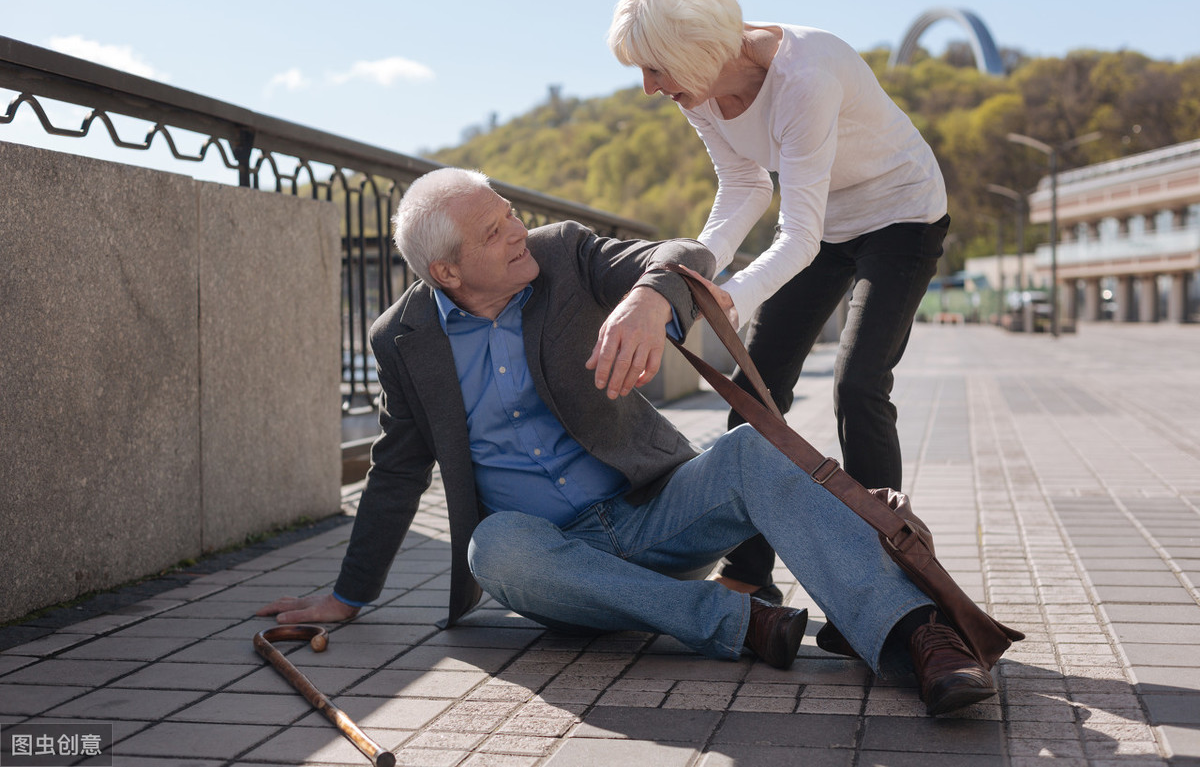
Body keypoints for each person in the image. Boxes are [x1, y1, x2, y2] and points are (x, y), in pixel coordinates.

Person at [258, 167, 995, 716]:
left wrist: (648, 299)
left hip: (657, 510)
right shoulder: (402, 339)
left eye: (508, 213)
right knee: (493, 546)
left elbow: (684, 254)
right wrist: (350, 594)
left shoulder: (563, 253)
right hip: (554, 561)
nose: (516, 231)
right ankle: (740, 623)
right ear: (446, 271)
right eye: (493, 233)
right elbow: (395, 467)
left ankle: (915, 635)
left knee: (747, 452)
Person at [608, 0, 951, 606]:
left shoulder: (806, 73)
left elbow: (799, 235)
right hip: (824, 223)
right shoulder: (701, 90)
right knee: (754, 392)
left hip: (901, 214)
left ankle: (893, 584)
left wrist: (735, 295)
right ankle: (747, 572)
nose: (649, 88)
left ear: (697, 49)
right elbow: (744, 188)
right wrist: (697, 270)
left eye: (655, 69)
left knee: (858, 384)